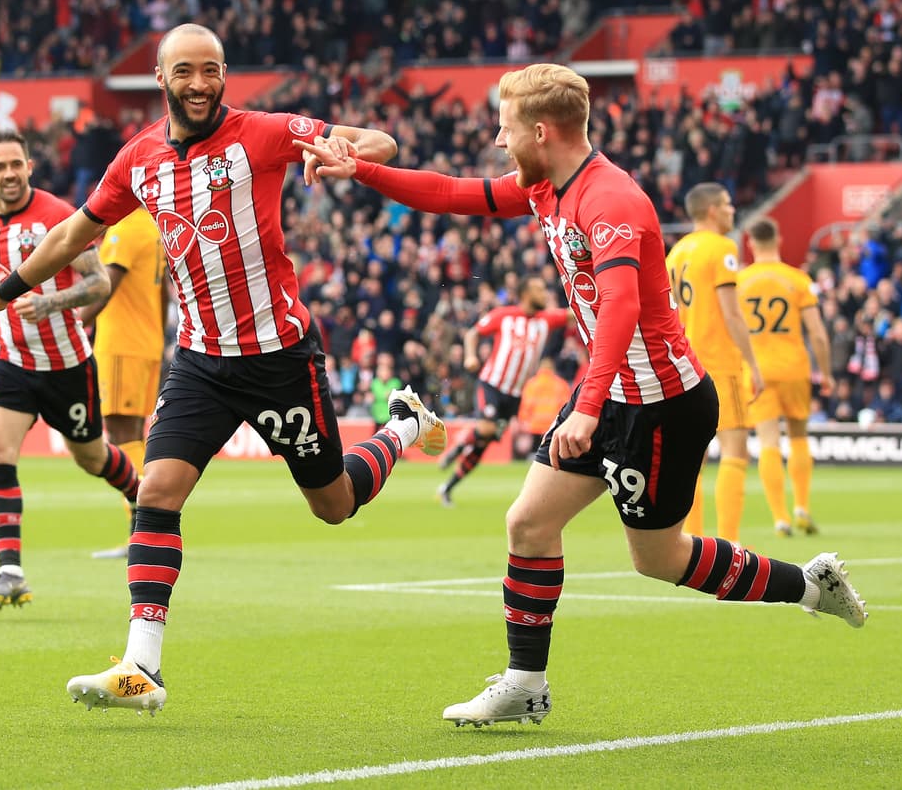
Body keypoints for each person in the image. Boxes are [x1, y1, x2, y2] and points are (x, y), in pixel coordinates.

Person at [298, 62, 866, 729]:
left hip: (659, 405)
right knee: (528, 523)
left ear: (542, 131)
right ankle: (525, 683)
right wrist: (358, 171)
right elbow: (453, 193)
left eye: (506, 129)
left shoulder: (611, 199)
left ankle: (809, 582)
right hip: (610, 388)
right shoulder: (546, 186)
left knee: (659, 559)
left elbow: (621, 307)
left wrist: (590, 406)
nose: (499, 141)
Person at [0, 23, 447, 715]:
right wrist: (2, 291)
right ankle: (140, 665)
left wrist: (344, 153)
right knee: (156, 489)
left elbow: (379, 141)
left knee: (333, 503)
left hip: (279, 355)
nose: (199, 83)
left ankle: (401, 425)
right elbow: (72, 234)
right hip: (202, 361)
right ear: (161, 78)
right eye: (184, 71)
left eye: (211, 70)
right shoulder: (139, 158)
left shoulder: (264, 132)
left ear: (224, 75)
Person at [0, 130, 143, 612]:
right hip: (7, 360)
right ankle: (10, 571)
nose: (9, 173)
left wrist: (51, 303)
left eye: (16, 164)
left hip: (66, 363)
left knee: (91, 458)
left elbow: (99, 283)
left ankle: (142, 498)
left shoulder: (59, 215)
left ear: (29, 166)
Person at [665, 182, 764, 544]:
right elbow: (731, 313)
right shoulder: (722, 248)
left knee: (693, 458)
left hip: (686, 366)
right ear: (711, 211)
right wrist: (753, 364)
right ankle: (730, 543)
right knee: (735, 451)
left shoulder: (675, 253)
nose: (732, 210)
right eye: (726, 204)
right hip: (720, 363)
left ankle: (691, 541)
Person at [79, 206, 169, 559]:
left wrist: (71, 325)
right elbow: (163, 296)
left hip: (121, 344)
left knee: (120, 437)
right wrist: (160, 342)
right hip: (146, 343)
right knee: (135, 437)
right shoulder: (152, 227)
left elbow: (104, 287)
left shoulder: (125, 229)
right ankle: (149, 526)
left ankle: (142, 528)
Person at [738, 217, 834, 536]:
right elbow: (818, 334)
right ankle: (802, 507)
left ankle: (780, 518)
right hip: (794, 367)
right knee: (798, 436)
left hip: (757, 370)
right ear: (778, 240)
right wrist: (827, 372)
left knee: (768, 442)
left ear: (750, 242)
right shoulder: (798, 279)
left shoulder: (739, 281)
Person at [438, 276, 568, 507]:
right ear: (526, 293)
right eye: (539, 288)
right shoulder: (504, 315)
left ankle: (448, 487)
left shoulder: (546, 319)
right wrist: (470, 356)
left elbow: (574, 313)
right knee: (486, 429)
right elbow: (472, 334)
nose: (545, 293)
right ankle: (458, 446)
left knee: (483, 445)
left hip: (515, 396)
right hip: (492, 386)